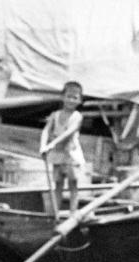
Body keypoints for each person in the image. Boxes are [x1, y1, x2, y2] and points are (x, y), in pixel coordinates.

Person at [39, 81, 86, 216]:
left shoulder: (77, 117)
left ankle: (73, 213)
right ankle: (55, 213)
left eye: (75, 98)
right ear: (62, 97)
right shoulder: (55, 115)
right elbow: (46, 131)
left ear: (80, 100)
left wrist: (52, 143)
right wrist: (43, 146)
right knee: (58, 184)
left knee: (73, 184)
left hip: (71, 154)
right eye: (69, 96)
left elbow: (68, 133)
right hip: (58, 155)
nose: (71, 100)